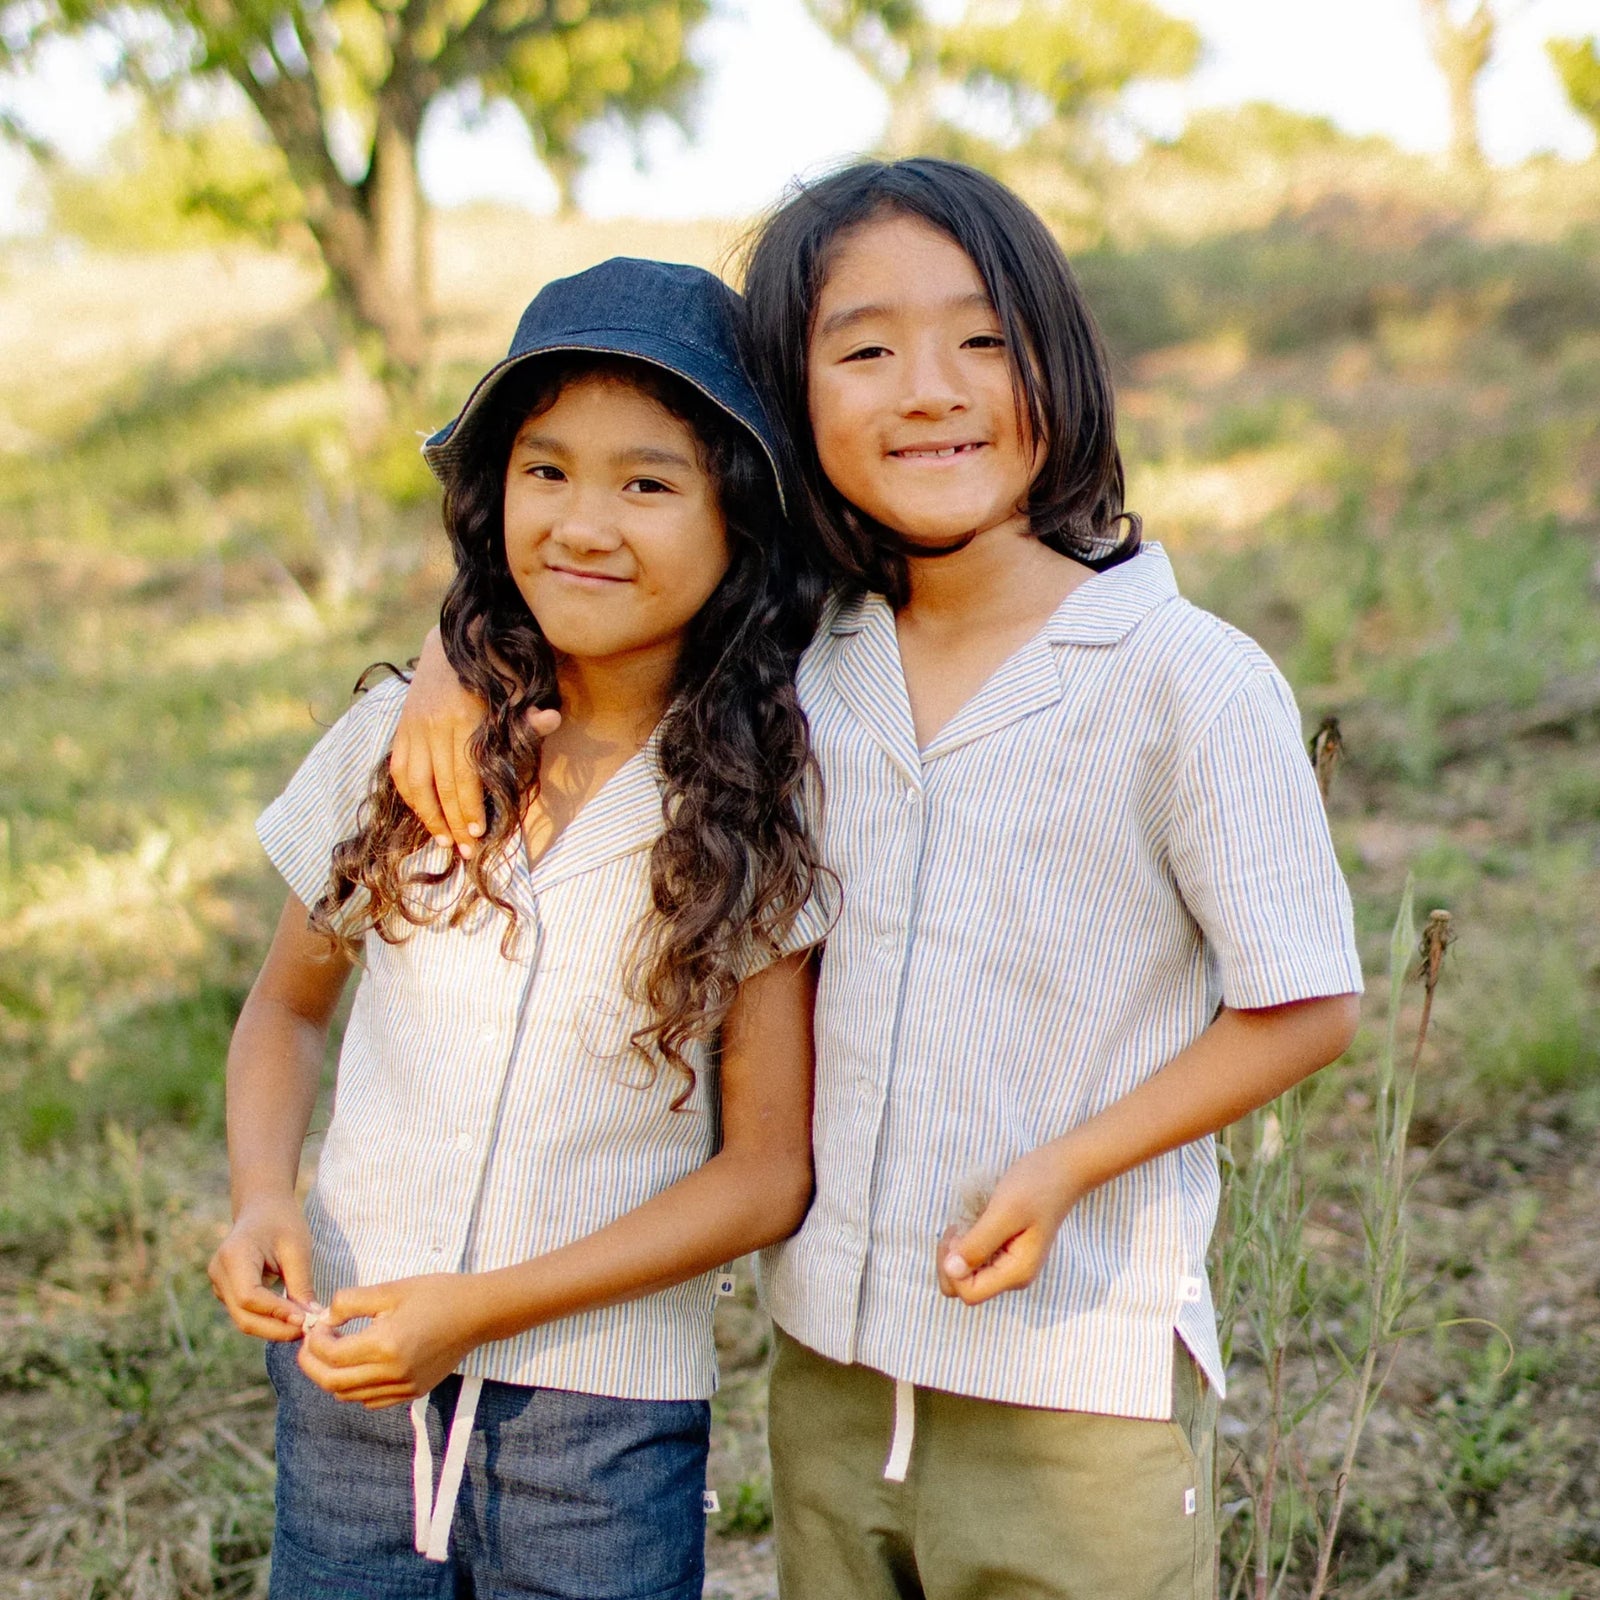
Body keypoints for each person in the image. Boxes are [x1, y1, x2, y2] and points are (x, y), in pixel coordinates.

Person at [391, 159, 1365, 1600]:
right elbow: (598, 587)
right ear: (786, 406)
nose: (929, 389)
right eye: (863, 349)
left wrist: (1067, 1167)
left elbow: (1305, 1003)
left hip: (1075, 1379)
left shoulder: (1185, 680)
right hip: (832, 1372)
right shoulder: (795, 657)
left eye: (983, 339)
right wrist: (447, 658)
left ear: (1062, 362)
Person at [206, 257, 833, 1600]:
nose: (585, 523)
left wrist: (480, 1312)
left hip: (601, 1428)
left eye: (648, 483)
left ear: (739, 524)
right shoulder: (398, 743)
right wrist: (264, 1193)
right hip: (351, 1376)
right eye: (546, 471)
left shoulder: (766, 800)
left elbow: (765, 1173)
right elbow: (283, 1011)